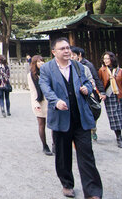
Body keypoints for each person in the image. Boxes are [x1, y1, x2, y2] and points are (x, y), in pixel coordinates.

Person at [39, 37, 102, 199]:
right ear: (54, 52)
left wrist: (87, 89)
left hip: (81, 117)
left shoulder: (78, 66)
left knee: (86, 155)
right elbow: (45, 87)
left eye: (68, 48)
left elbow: (89, 82)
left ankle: (93, 191)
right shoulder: (47, 69)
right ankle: (67, 184)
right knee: (63, 154)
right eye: (62, 49)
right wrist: (56, 101)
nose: (67, 51)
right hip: (60, 117)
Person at [71, 46, 105, 141]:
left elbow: (92, 80)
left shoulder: (85, 67)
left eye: (73, 55)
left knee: (90, 112)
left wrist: (88, 87)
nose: (71, 57)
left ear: (78, 56)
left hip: (86, 95)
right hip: (74, 98)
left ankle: (92, 129)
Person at [98, 51, 122, 148]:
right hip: (109, 96)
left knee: (120, 115)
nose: (106, 60)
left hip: (119, 95)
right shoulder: (102, 70)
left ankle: (119, 134)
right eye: (104, 59)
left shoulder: (120, 71)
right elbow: (99, 83)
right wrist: (100, 94)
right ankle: (119, 137)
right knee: (114, 117)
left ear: (112, 59)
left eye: (108, 58)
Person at [27, 55, 53, 156]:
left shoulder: (47, 72)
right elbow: (33, 91)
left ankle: (55, 144)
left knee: (53, 124)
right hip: (40, 101)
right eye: (38, 62)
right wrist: (35, 103)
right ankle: (45, 145)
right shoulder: (31, 76)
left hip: (49, 100)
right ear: (34, 63)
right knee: (42, 124)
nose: (41, 63)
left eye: (42, 61)